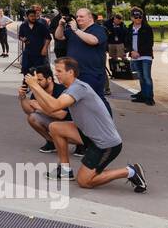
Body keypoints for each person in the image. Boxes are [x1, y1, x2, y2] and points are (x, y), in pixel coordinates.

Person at [24, 59, 148, 191]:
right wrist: (34, 88)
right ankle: (65, 171)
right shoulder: (70, 89)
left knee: (84, 181)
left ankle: (131, 171)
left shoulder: (79, 88)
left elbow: (54, 106)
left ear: (70, 72)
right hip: (88, 135)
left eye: (59, 71)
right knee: (55, 127)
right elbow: (50, 110)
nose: (56, 74)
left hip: (106, 144)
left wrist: (36, 86)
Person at [17, 66, 85, 156]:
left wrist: (39, 107)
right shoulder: (38, 90)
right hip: (57, 122)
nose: (36, 83)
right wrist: (22, 97)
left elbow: (61, 115)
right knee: (32, 117)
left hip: (74, 124)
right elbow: (29, 111)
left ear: (49, 79)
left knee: (55, 124)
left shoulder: (62, 90)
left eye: (39, 80)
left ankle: (81, 144)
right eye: (35, 81)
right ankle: (52, 143)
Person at [54, 7, 109, 108]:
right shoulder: (73, 30)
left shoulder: (98, 29)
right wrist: (61, 25)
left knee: (97, 99)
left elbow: (93, 40)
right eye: (77, 16)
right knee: (77, 101)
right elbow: (59, 36)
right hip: (74, 73)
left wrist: (75, 30)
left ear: (90, 18)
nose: (78, 18)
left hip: (91, 72)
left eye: (81, 16)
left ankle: (107, 122)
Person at [125, 7, 156, 105]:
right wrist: (131, 52)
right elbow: (127, 42)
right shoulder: (130, 28)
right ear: (132, 18)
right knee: (141, 77)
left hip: (145, 56)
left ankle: (149, 98)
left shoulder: (147, 28)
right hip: (134, 56)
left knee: (147, 77)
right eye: (136, 17)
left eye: (140, 17)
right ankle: (143, 95)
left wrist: (139, 53)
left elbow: (149, 43)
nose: (138, 19)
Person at [17, 7, 51, 75]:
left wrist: (45, 48)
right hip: (28, 51)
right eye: (31, 16)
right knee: (25, 68)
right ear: (27, 17)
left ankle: (36, 84)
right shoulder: (23, 26)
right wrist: (22, 39)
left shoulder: (41, 26)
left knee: (38, 70)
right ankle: (25, 83)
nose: (33, 18)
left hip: (39, 52)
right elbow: (20, 36)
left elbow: (48, 38)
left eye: (34, 16)